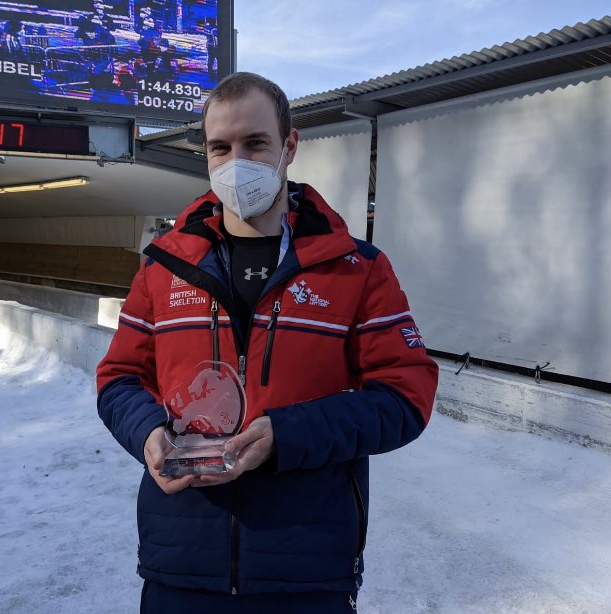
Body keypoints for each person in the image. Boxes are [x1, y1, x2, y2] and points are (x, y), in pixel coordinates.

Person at [96, 71, 439, 612]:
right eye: (220, 147)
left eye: (255, 143)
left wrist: (287, 434)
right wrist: (147, 434)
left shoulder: (356, 269)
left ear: (289, 147)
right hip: (182, 559)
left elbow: (406, 396)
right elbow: (119, 379)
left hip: (306, 566)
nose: (237, 162)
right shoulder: (164, 268)